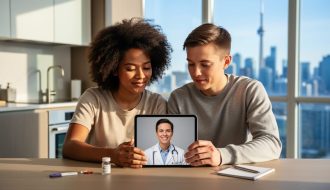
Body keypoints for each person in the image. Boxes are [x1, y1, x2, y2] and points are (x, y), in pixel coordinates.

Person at [62, 18, 172, 168]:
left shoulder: (156, 103)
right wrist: (113, 155)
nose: (140, 75)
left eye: (146, 68)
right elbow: (70, 146)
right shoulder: (93, 98)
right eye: (130, 68)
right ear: (114, 69)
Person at [168, 23, 282, 166]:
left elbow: (271, 144)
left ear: (226, 62)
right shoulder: (178, 98)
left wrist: (221, 155)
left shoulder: (250, 90)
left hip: (238, 180)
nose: (196, 72)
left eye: (205, 64)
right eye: (191, 64)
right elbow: (172, 153)